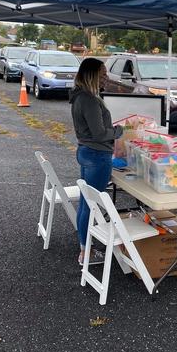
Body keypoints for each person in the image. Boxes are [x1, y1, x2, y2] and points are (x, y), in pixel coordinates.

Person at [69, 58, 122, 265]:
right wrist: (118, 131)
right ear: (91, 75)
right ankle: (86, 252)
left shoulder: (80, 96)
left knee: (85, 203)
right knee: (90, 205)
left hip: (87, 152)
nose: (106, 78)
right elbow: (100, 134)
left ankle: (85, 247)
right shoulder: (89, 100)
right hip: (97, 155)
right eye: (102, 74)